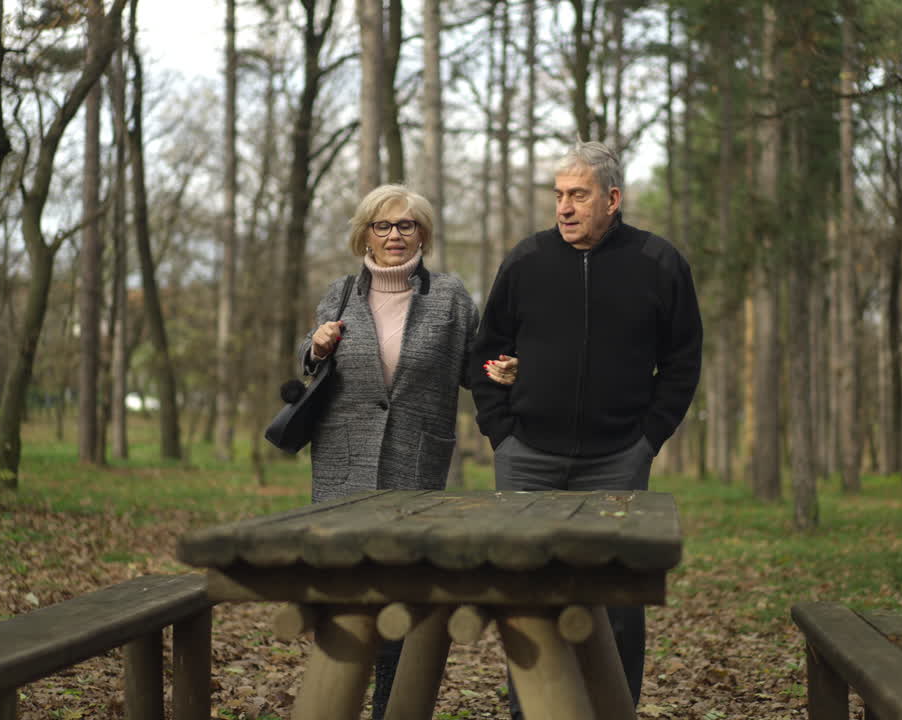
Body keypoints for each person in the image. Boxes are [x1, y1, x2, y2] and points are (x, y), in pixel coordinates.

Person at [469, 140, 702, 718]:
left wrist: (648, 437)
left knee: (617, 602)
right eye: (559, 196)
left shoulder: (659, 261)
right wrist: (503, 433)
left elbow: (683, 361)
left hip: (618, 458)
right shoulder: (526, 261)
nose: (565, 208)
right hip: (527, 457)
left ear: (613, 199)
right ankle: (533, 712)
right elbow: (487, 352)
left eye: (579, 195)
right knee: (528, 599)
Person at [300, 184, 480, 720]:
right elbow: (306, 365)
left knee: (403, 598)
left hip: (415, 463)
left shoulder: (450, 296)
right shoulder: (338, 294)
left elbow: (477, 367)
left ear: (422, 232)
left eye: (406, 225)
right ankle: (336, 705)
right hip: (342, 467)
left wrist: (506, 370)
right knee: (349, 600)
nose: (395, 235)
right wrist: (316, 345)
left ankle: (390, 711)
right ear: (365, 234)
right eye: (383, 226)